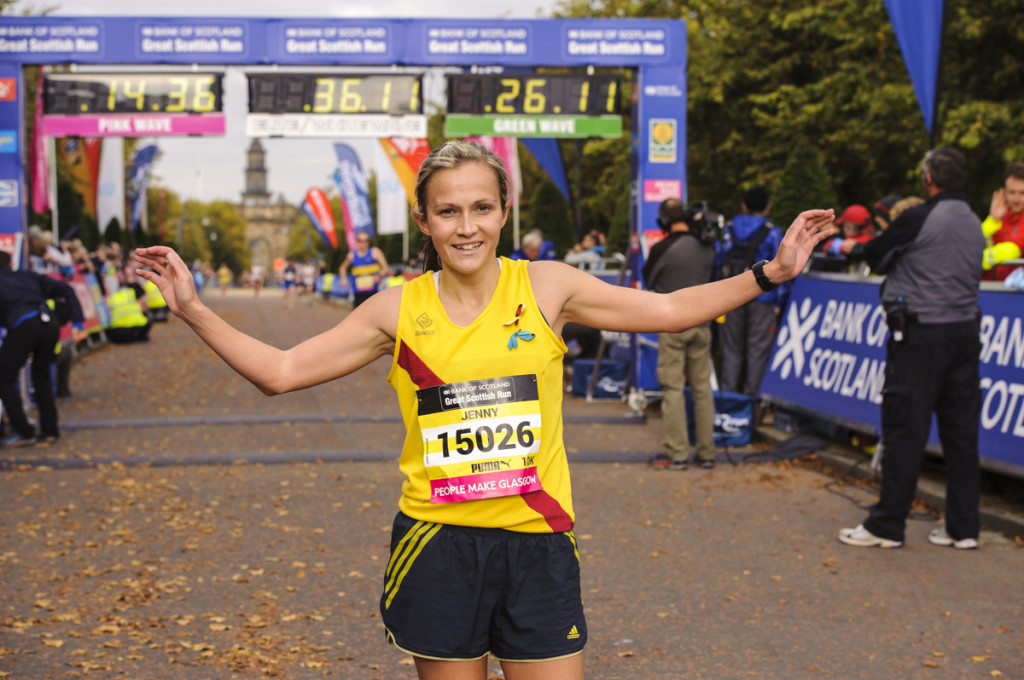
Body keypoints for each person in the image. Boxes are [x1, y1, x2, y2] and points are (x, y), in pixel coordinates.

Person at [134, 140, 834, 680]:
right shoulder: (394, 310)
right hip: (438, 547)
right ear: (424, 221)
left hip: (538, 542)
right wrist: (194, 310)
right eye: (448, 211)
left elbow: (671, 308)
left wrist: (770, 272)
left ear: (504, 211)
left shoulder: (550, 287)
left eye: (480, 208)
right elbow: (283, 373)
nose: (466, 227)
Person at [838, 147, 984, 550]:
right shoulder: (974, 222)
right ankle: (963, 527)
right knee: (961, 434)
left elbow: (876, 255)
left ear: (927, 180)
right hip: (965, 334)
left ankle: (887, 525)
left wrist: (854, 250)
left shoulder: (920, 217)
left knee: (904, 429)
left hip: (920, 336)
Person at [643, 199, 718, 470]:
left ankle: (677, 453)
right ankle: (707, 453)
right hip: (703, 322)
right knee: (702, 389)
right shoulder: (707, 247)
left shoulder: (662, 248)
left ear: (663, 221)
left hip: (673, 325)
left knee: (673, 388)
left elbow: (649, 281)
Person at [0, 250, 86, 447]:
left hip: (25, 326)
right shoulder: (28, 276)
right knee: (42, 377)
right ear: (10, 262)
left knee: (3, 378)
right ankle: (50, 431)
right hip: (48, 324)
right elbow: (66, 290)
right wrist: (77, 323)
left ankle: (24, 431)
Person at [719, 186, 788, 401]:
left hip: (730, 297)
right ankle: (751, 405)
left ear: (743, 205)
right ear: (767, 207)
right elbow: (783, 265)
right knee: (758, 352)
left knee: (731, 350)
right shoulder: (773, 231)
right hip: (764, 299)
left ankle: (727, 403)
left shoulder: (727, 229)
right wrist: (779, 300)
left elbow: (718, 260)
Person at [981, 160, 1024, 281]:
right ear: (1004, 192)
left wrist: (978, 259)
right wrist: (993, 220)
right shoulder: (1001, 216)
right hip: (991, 290)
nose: (1016, 199)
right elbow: (976, 242)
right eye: (1012, 192)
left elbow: (1014, 248)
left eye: (1022, 193)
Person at [340, 232, 389, 308]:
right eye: (360, 240)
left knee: (373, 316)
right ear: (357, 242)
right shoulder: (351, 255)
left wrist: (379, 276)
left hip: (372, 292)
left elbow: (385, 268)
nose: (363, 243)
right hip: (358, 292)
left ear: (368, 242)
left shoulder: (375, 252)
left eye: (365, 240)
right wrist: (343, 278)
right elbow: (342, 267)